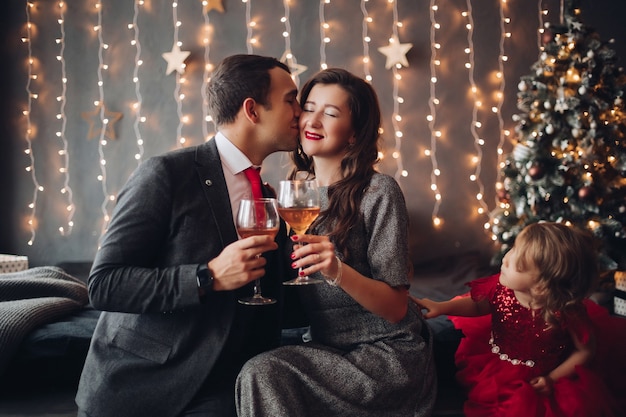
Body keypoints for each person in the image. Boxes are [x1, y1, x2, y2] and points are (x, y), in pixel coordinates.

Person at [75, 54, 302, 417]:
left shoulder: (269, 197)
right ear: (253, 110)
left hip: (229, 384)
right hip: (147, 386)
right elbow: (104, 284)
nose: (300, 112)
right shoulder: (166, 174)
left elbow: (276, 298)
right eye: (291, 99)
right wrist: (207, 276)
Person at [236, 68, 436, 417]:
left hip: (385, 355)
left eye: (330, 113)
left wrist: (336, 270)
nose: (312, 120)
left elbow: (395, 308)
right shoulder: (292, 193)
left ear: (356, 133)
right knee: (255, 368)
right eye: (308, 108)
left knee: (264, 372)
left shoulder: (379, 192)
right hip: (324, 348)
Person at [413, 222, 626, 417]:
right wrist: (442, 306)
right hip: (499, 356)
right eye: (513, 248)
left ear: (541, 285)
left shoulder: (566, 311)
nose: (505, 258)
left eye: (518, 263)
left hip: (543, 372)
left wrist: (552, 378)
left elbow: (586, 350)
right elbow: (479, 303)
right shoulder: (503, 287)